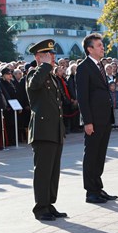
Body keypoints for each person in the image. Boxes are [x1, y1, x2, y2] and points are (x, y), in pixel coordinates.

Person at [26, 39, 67, 221]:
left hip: (55, 130)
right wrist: (43, 66)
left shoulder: (50, 76)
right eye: (48, 55)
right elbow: (34, 86)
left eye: (52, 55)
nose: (52, 58)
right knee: (43, 171)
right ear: (38, 57)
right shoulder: (33, 74)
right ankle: (40, 208)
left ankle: (49, 204)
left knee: (53, 171)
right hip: (43, 130)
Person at [76, 33, 118, 204]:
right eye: (99, 45)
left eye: (102, 45)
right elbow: (83, 97)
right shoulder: (84, 67)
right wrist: (88, 121)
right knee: (92, 155)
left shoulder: (100, 65)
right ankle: (90, 192)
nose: (103, 47)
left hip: (104, 117)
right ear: (89, 48)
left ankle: (98, 187)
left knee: (100, 155)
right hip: (93, 119)